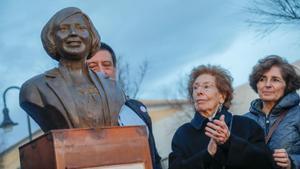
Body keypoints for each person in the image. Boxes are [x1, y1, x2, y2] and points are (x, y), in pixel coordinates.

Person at [19, 7, 126, 132]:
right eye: (64, 29)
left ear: (92, 36)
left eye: (81, 28)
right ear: (52, 38)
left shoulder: (114, 89)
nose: (73, 33)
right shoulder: (34, 89)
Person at [168, 65, 274, 169]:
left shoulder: (247, 125)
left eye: (206, 86)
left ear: (222, 96)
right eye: (195, 88)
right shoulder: (182, 134)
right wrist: (207, 154)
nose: (198, 92)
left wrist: (230, 142)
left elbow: (267, 163)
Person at [87, 42, 162, 169]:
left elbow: (154, 158)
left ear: (115, 70)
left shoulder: (137, 110)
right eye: (93, 67)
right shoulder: (75, 115)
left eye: (106, 65)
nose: (101, 72)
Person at [245, 55, 300, 169]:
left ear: (288, 85)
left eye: (275, 79)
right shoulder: (244, 120)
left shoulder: (298, 115)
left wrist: (293, 162)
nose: (267, 85)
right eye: (262, 79)